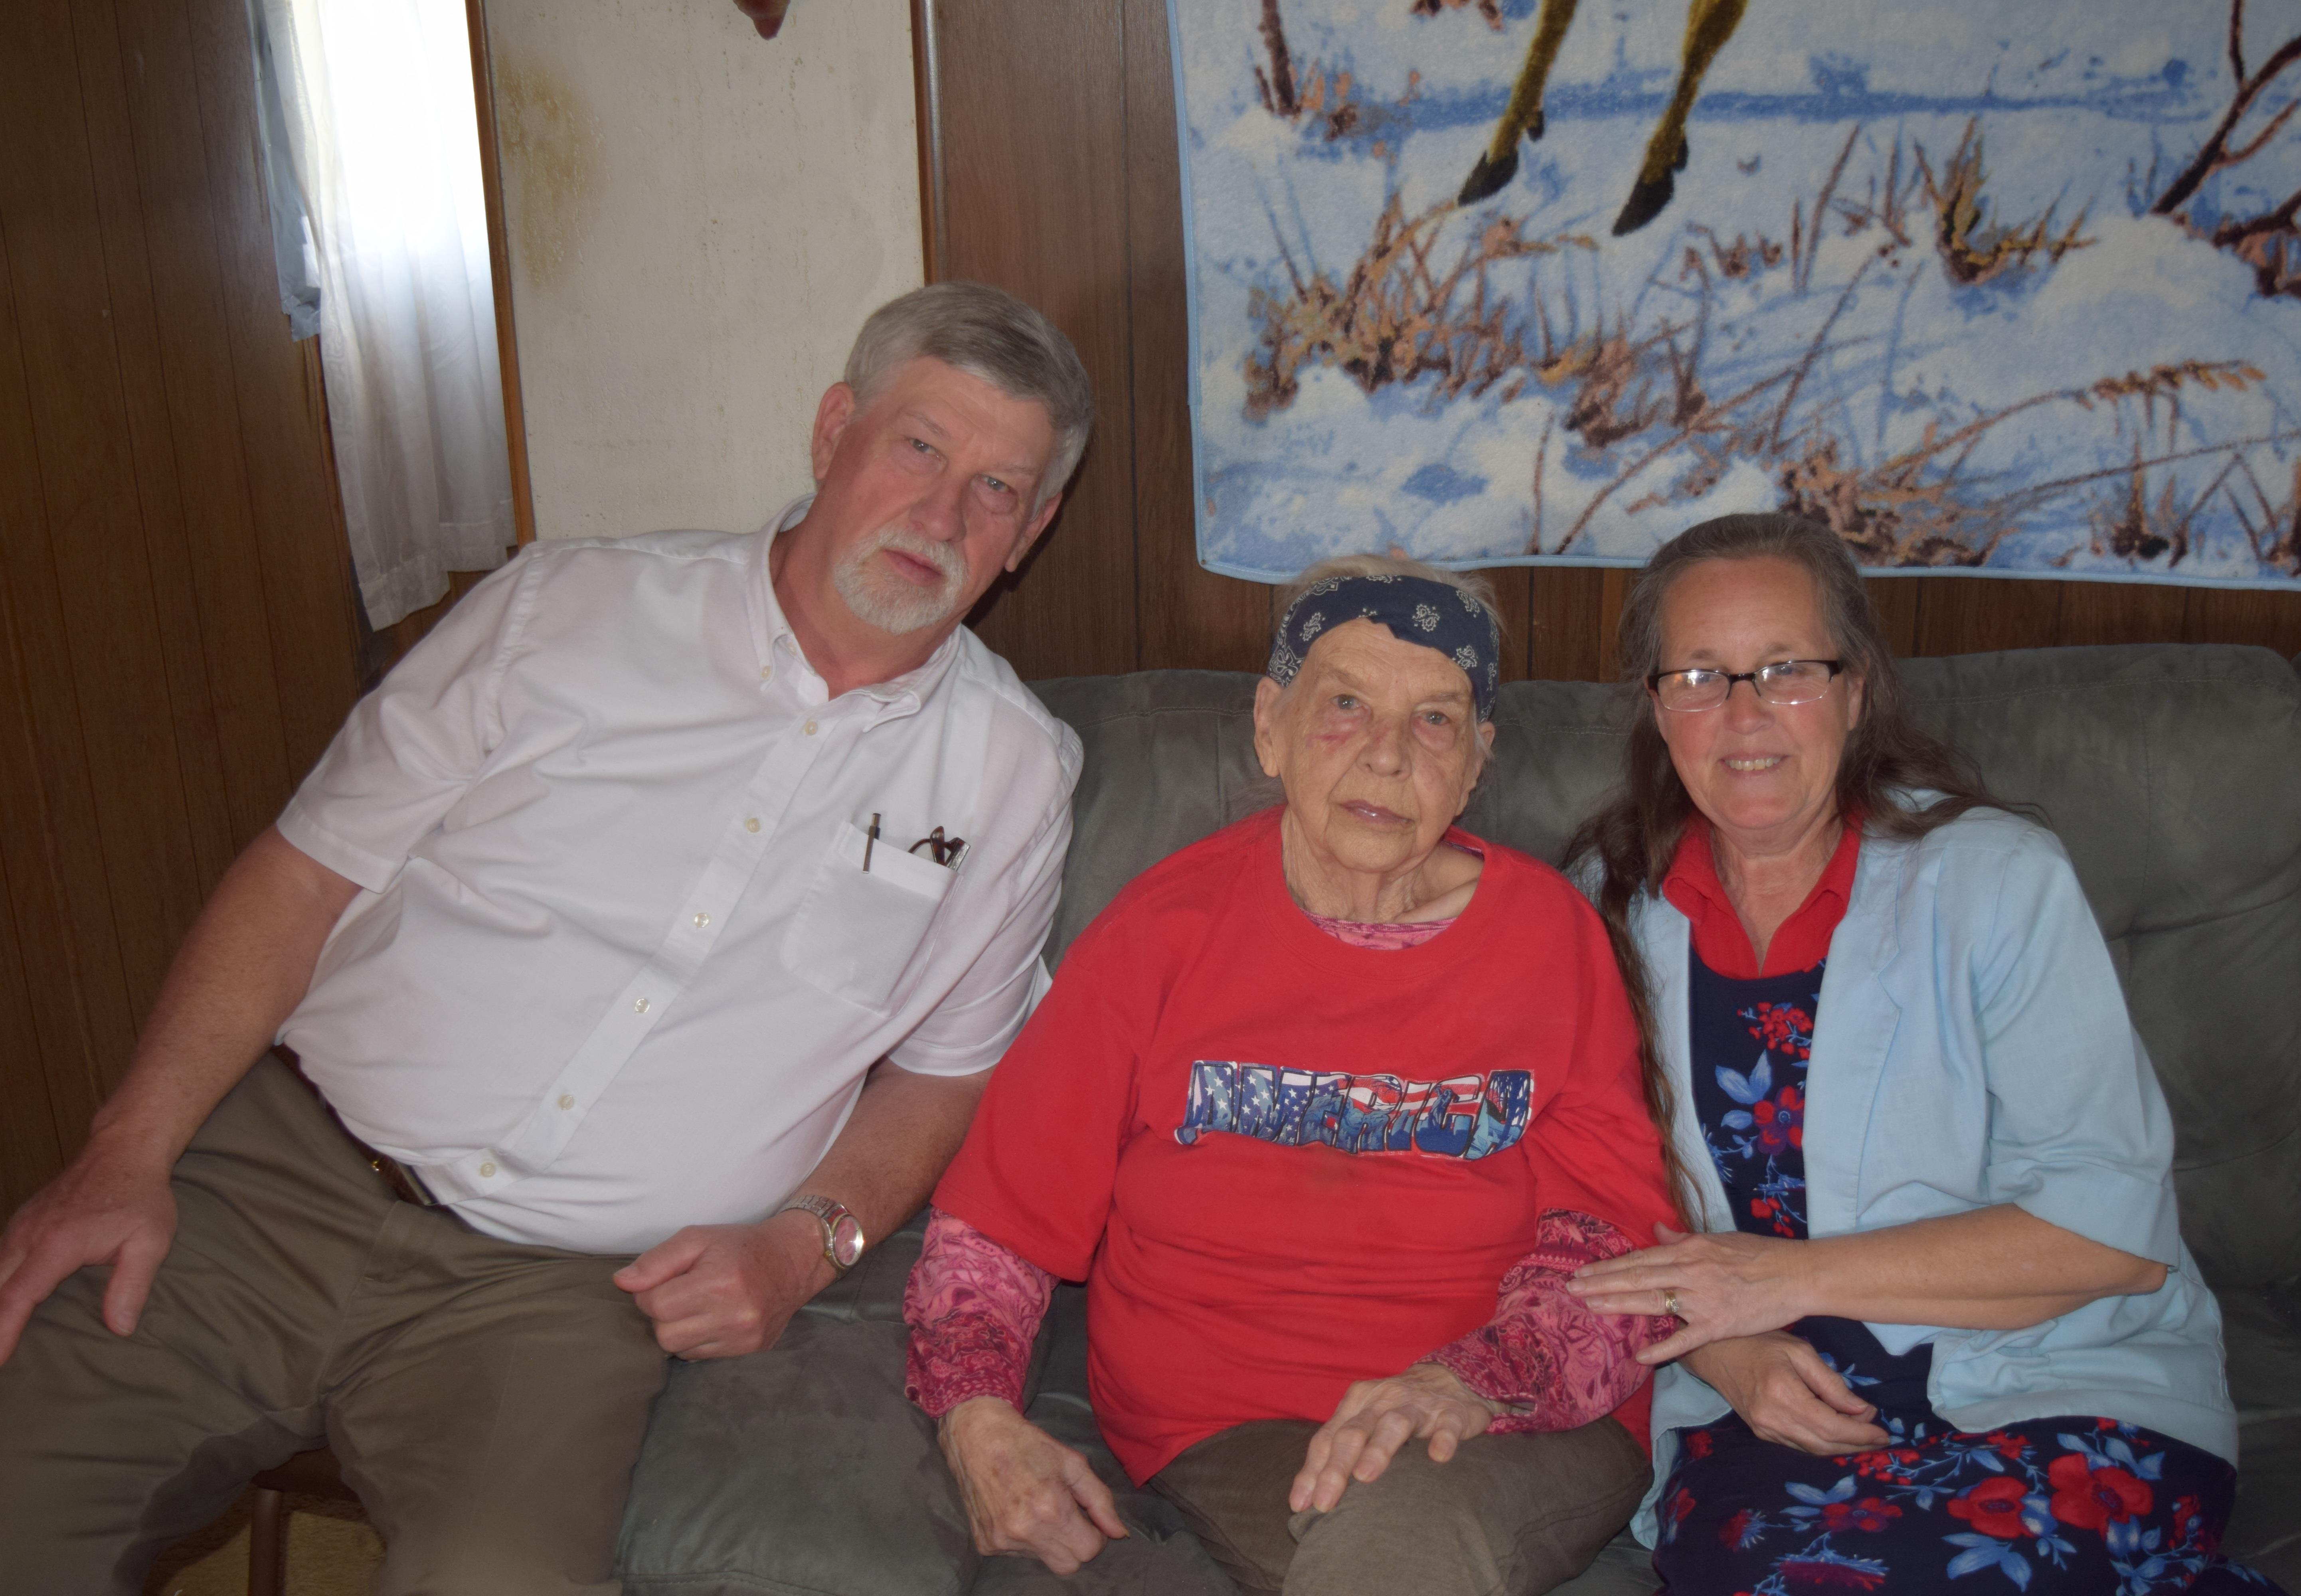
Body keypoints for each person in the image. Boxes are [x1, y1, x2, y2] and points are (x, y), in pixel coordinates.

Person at [0, 282, 1094, 1595]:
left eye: (995, 489)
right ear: (834, 433)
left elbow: (950, 1070)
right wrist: (125, 1149)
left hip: (560, 1300)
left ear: (1030, 533)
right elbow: (304, 876)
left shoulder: (1014, 774)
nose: (940, 514)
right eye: (921, 447)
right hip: (281, 1179)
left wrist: (804, 1249)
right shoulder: (563, 606)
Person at [902, 554, 1685, 1596]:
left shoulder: (1552, 940)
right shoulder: (1158, 936)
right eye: (1347, 704)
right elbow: (996, 1222)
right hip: (1229, 1428)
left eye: (1438, 720)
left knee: (1396, 1527)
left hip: (1502, 1424)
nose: (1390, 755)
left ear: (1478, 761)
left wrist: (1465, 1384)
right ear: (1271, 724)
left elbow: (1616, 1251)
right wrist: (977, 1419)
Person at [1559, 513, 2285, 1592]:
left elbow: (2111, 1237)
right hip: (1771, 1405)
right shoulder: (1600, 907)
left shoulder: (1997, 881)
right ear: (1657, 706)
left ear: (1855, 692)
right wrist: (1721, 1347)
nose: (1745, 715)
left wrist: (1782, 1279)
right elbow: (1577, 1192)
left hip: (2056, 1381)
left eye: (1787, 669)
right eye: (1702, 674)